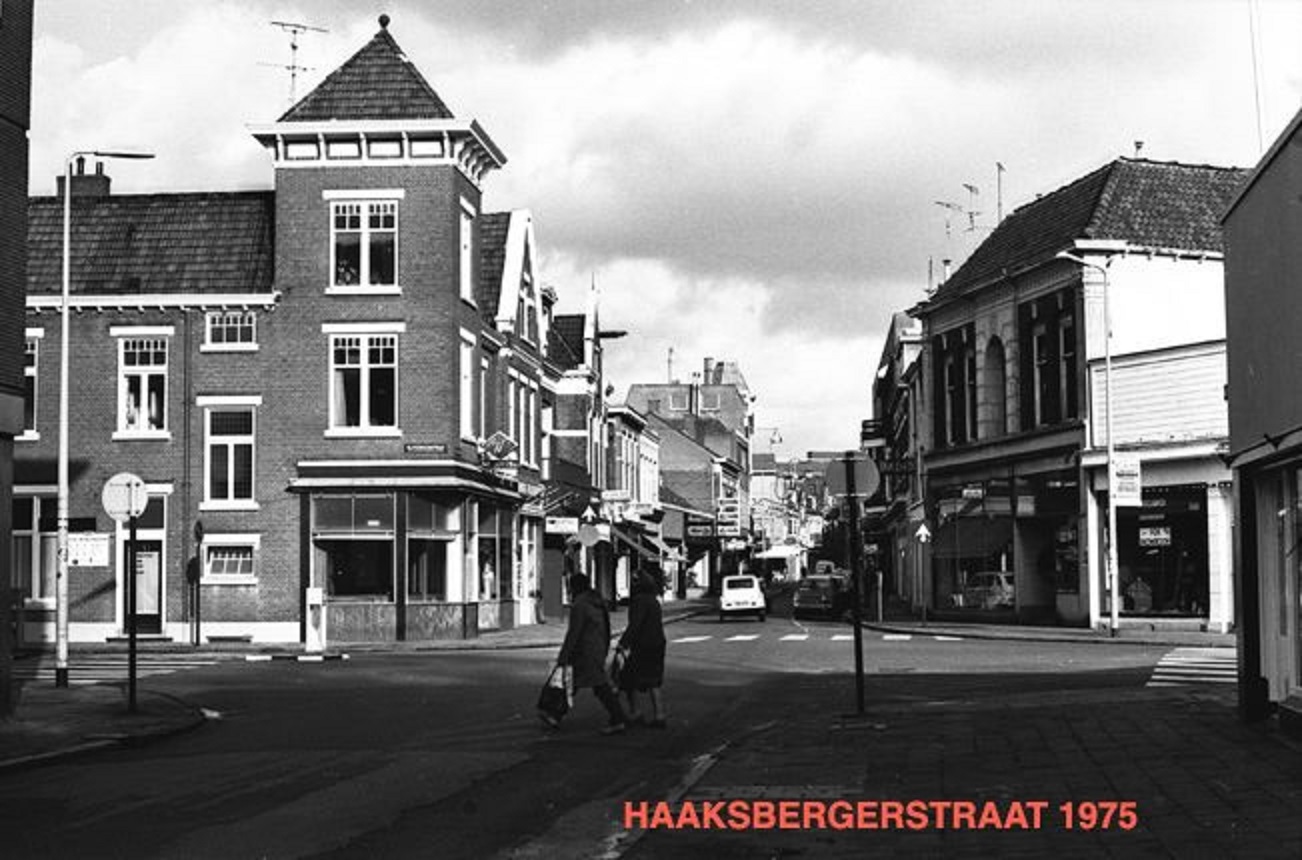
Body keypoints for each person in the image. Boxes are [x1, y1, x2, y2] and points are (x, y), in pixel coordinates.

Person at [555, 572, 628, 734]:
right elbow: (607, 627)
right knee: (577, 683)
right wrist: (605, 647)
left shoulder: (580, 605)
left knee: (598, 685)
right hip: (597, 648)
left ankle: (618, 718)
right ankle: (556, 714)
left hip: (585, 650)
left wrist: (564, 655)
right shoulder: (597, 602)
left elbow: (574, 632)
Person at [616, 569, 667, 728]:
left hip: (643, 645)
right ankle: (659, 714)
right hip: (657, 643)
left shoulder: (639, 601)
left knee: (628, 679)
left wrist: (623, 643)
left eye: (634, 581)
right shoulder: (653, 600)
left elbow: (635, 625)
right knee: (653, 680)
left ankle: (635, 711)